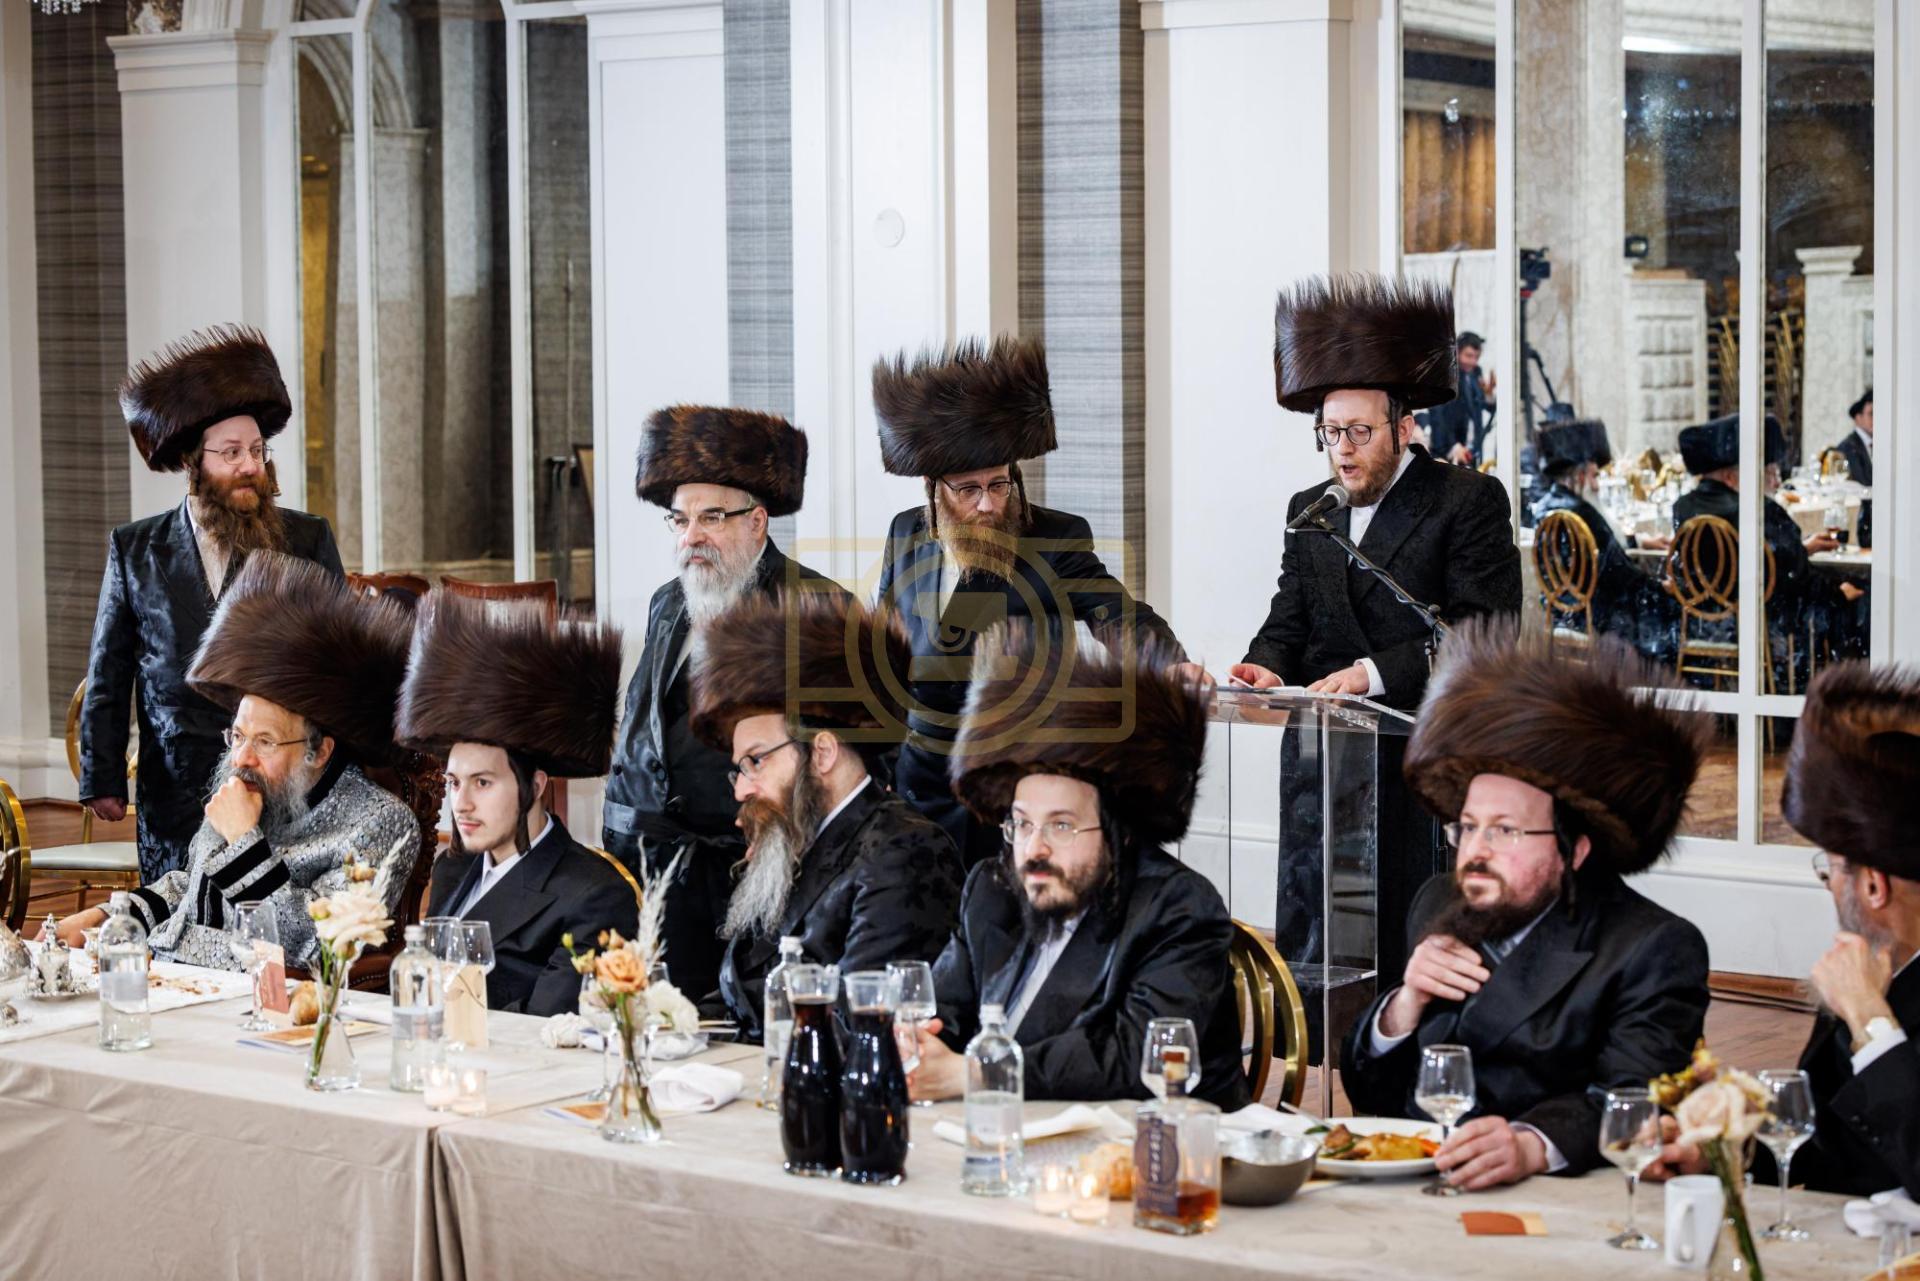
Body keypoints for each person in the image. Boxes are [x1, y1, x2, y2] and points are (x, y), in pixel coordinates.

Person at [1341, 620, 1712, 1190]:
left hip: (1556, 1201)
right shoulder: (1439, 902)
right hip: (1414, 1185)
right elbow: (1373, 1094)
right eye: (1467, 827)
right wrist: (1403, 1005)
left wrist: (1531, 1145)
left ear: (1574, 849)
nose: (1475, 851)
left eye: (1505, 830)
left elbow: (1632, 1101)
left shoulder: (1652, 946)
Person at [1234, 274, 1521, 987]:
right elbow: (1290, 617)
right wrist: (1264, 666)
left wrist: (1372, 673)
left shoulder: (1466, 500)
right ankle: (1318, 1039)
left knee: (1405, 931)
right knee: (1320, 935)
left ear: (1404, 426)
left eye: (1359, 432)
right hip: (1324, 755)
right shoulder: (1311, 508)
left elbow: (1484, 630)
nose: (1343, 449)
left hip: (1415, 748)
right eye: (1330, 433)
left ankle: (1406, 1034)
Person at [871, 335, 1193, 864]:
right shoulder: (905, 531)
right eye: (968, 490)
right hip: (914, 785)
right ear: (932, 487)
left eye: (999, 485)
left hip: (1007, 782)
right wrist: (875, 765)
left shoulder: (1054, 537)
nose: (987, 505)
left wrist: (1167, 665)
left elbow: (1116, 613)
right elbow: (881, 649)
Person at [908, 626, 1250, 1110]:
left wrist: (974, 1074)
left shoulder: (1179, 909)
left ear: (1118, 832)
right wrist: (916, 1042)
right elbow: (945, 1010)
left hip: (1157, 1141)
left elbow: (1131, 1058)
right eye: (1022, 824)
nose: (1034, 849)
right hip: (1005, 1131)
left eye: (1062, 825)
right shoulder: (993, 888)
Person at [54, 553, 415, 970]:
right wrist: (109, 917)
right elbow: (194, 888)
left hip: (250, 997)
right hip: (169, 976)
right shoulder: (253, 785)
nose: (242, 757)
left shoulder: (380, 821)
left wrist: (244, 839)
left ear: (320, 751)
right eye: (238, 736)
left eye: (265, 741)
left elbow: (318, 948)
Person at [1647, 662, 1919, 1199]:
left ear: (1873, 886)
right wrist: (1728, 1146)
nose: (1828, 886)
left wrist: (1870, 1019)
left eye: (1830, 869)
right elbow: (1832, 1144)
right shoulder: (1876, 969)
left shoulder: (1864, 993)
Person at [81, 326, 344, 881]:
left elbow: (339, 663)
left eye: (257, 450)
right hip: (174, 795)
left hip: (278, 788)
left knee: (265, 913)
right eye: (231, 453)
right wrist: (102, 776)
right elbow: (110, 672)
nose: (250, 466)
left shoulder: (306, 539)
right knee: (174, 921)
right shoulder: (135, 549)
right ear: (192, 462)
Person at [602, 404, 836, 1012]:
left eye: (711, 517)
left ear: (758, 522)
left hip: (750, 870)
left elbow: (834, 758)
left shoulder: (815, 606)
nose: (691, 537)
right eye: (680, 520)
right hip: (652, 870)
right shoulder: (667, 602)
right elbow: (646, 725)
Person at [688, 591, 963, 1041]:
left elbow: (858, 1025)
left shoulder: (906, 851)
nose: (740, 789)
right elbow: (738, 994)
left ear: (822, 753)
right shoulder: (792, 840)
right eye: (738, 769)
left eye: (756, 761)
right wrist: (671, 1027)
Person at [399, 590, 638, 1018]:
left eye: (483, 783)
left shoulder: (595, 895)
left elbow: (545, 1031)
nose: (461, 804)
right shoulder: (453, 870)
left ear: (536, 785)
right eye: (454, 783)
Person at [1666, 412, 1863, 659]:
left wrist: (1804, 548)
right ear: (1730, 476)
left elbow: (1738, 560)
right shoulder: (1758, 509)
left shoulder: (1683, 508)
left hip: (1705, 621)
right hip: (1761, 621)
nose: (1771, 480)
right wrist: (1836, 594)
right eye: (1765, 471)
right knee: (1854, 595)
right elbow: (1792, 573)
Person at [1529, 418, 1668, 651]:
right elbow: (1619, 574)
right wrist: (1660, 587)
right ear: (1580, 476)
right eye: (1594, 476)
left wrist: (1638, 541)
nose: (1596, 485)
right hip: (1598, 620)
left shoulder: (1546, 507)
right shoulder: (1583, 512)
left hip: (1560, 614)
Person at [1419, 331, 1497, 465]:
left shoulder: (1476, 372)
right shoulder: (1445, 375)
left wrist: (1489, 394)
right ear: (1457, 352)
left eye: (1477, 357)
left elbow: (1487, 407)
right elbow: (1438, 414)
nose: (1473, 362)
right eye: (1469, 356)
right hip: (1448, 448)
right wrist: (1453, 445)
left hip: (1470, 449)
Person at [1837, 388, 1872, 549]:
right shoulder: (1848, 447)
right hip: (1861, 519)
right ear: (1858, 418)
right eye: (1871, 414)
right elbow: (1864, 481)